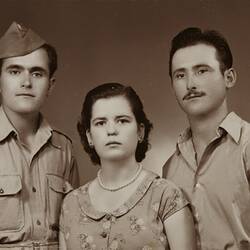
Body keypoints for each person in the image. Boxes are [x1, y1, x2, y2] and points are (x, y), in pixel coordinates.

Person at [59, 82, 196, 250]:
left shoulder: (166, 196)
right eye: (100, 123)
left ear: (140, 132)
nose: (111, 130)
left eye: (122, 121)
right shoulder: (71, 204)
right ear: (89, 137)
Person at [163, 27, 250, 250]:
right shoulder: (170, 167)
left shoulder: (247, 147)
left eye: (202, 71)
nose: (190, 84)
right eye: (180, 75)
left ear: (229, 78)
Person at [0, 22, 79, 249]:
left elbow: (72, 228)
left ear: (51, 85)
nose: (26, 82)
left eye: (37, 73)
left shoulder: (63, 148)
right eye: (14, 71)